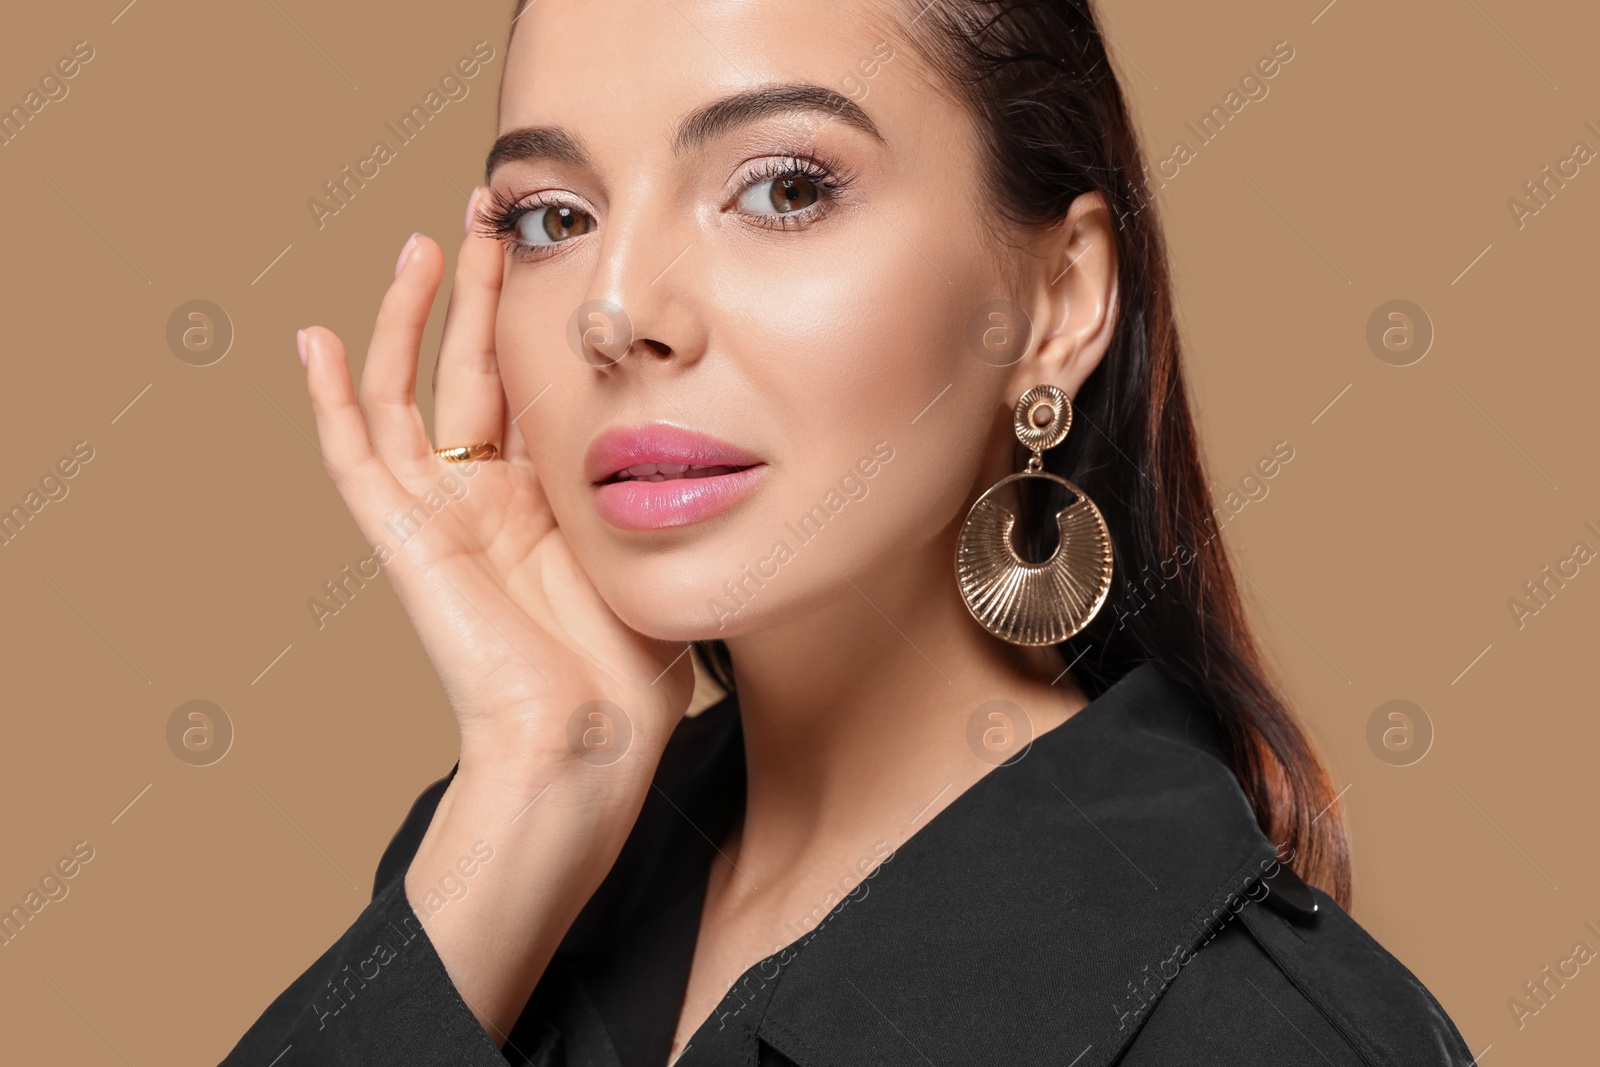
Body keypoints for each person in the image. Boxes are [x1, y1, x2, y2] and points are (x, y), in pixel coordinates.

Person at [222, 0, 1475, 1063]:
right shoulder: (497, 866)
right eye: (554, 217)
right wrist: (539, 778)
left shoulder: (1259, 1028)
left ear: (1058, 301)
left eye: (781, 188)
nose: (616, 312)